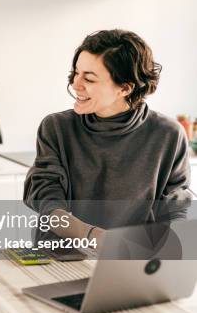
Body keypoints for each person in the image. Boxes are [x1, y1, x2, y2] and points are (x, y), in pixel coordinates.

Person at [24, 29, 192, 247]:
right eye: (76, 73)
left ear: (125, 87)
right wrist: (95, 237)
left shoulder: (168, 134)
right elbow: (47, 200)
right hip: (64, 254)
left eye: (89, 78)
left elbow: (177, 207)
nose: (76, 84)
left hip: (135, 256)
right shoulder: (56, 128)